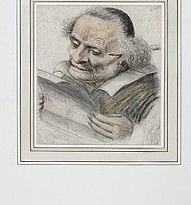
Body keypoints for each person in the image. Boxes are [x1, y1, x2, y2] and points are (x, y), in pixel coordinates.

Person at [34, 7, 161, 145]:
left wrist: (133, 134)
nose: (76, 58)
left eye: (95, 52)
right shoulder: (59, 78)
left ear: (124, 61)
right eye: (75, 44)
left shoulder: (155, 93)